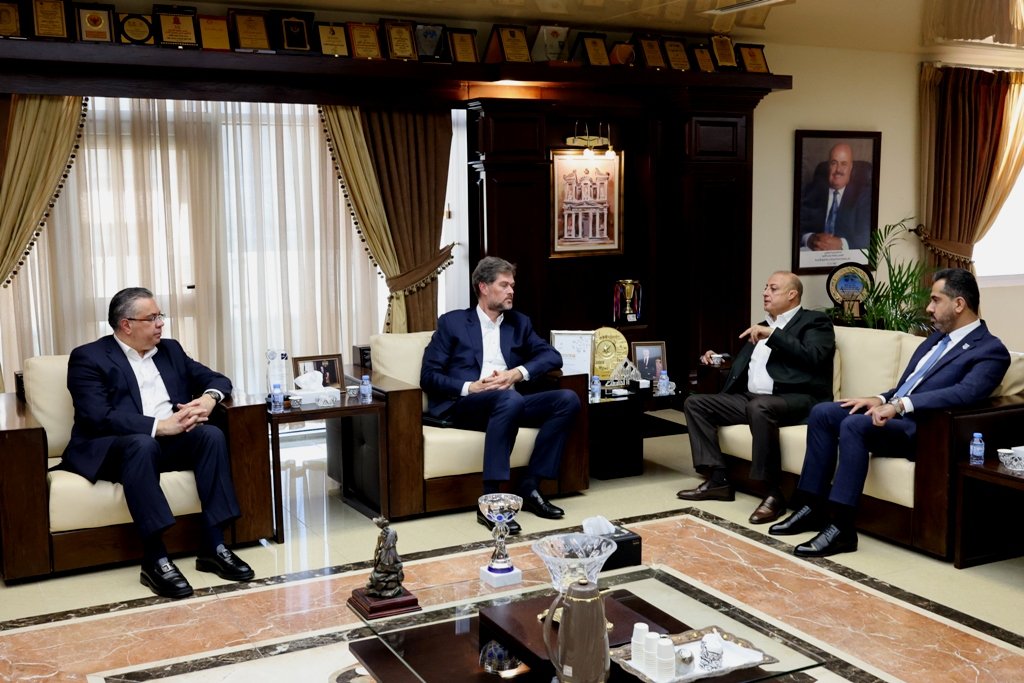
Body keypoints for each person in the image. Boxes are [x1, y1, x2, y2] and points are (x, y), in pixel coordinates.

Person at [770, 268, 1010, 557]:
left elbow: (966, 393)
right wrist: (879, 398)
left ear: (959, 304)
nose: (929, 308)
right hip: (897, 414)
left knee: (855, 425)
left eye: (935, 300)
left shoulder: (990, 350)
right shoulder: (936, 339)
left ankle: (842, 528)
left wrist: (900, 405)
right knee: (823, 413)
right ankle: (811, 507)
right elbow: (909, 385)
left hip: (925, 430)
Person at [63, 287, 254, 599]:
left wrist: (209, 398)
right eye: (152, 318)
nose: (160, 323)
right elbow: (97, 416)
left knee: (210, 435)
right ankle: (155, 558)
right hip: (114, 448)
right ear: (126, 325)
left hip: (165, 444)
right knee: (142, 444)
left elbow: (218, 379)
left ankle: (213, 545)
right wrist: (159, 426)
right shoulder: (89, 357)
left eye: (160, 316)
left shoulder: (170, 350)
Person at [420, 256, 581, 535]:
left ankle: (530, 486)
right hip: (467, 404)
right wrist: (470, 387)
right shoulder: (453, 323)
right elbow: (428, 376)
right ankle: (491, 500)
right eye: (504, 285)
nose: (511, 291)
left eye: (512, 286)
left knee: (567, 400)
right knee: (510, 399)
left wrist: (516, 374)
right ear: (483, 287)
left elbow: (552, 356)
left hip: (510, 403)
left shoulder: (519, 323)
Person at [677, 271, 835, 524]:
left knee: (760, 407)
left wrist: (772, 335)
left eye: (773, 288)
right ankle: (718, 479)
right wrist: (721, 359)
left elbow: (814, 356)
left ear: (792, 294)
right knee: (696, 403)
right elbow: (750, 364)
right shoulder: (764, 324)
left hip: (798, 398)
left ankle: (774, 492)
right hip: (753, 398)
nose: (765, 293)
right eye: (765, 288)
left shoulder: (814, 321)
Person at [799, 142, 873, 251]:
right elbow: (797, 227)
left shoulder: (864, 195)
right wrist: (809, 239)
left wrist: (841, 244)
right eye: (834, 163)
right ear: (828, 166)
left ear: (851, 167)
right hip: (814, 254)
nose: (838, 170)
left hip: (846, 257)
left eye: (844, 164)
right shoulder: (811, 191)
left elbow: (867, 236)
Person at [366, 517, 404, 599]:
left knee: (380, 568)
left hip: (385, 554)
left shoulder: (380, 536)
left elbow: (377, 548)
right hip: (393, 552)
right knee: (392, 566)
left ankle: (381, 585)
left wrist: (375, 558)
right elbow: (396, 540)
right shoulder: (393, 531)